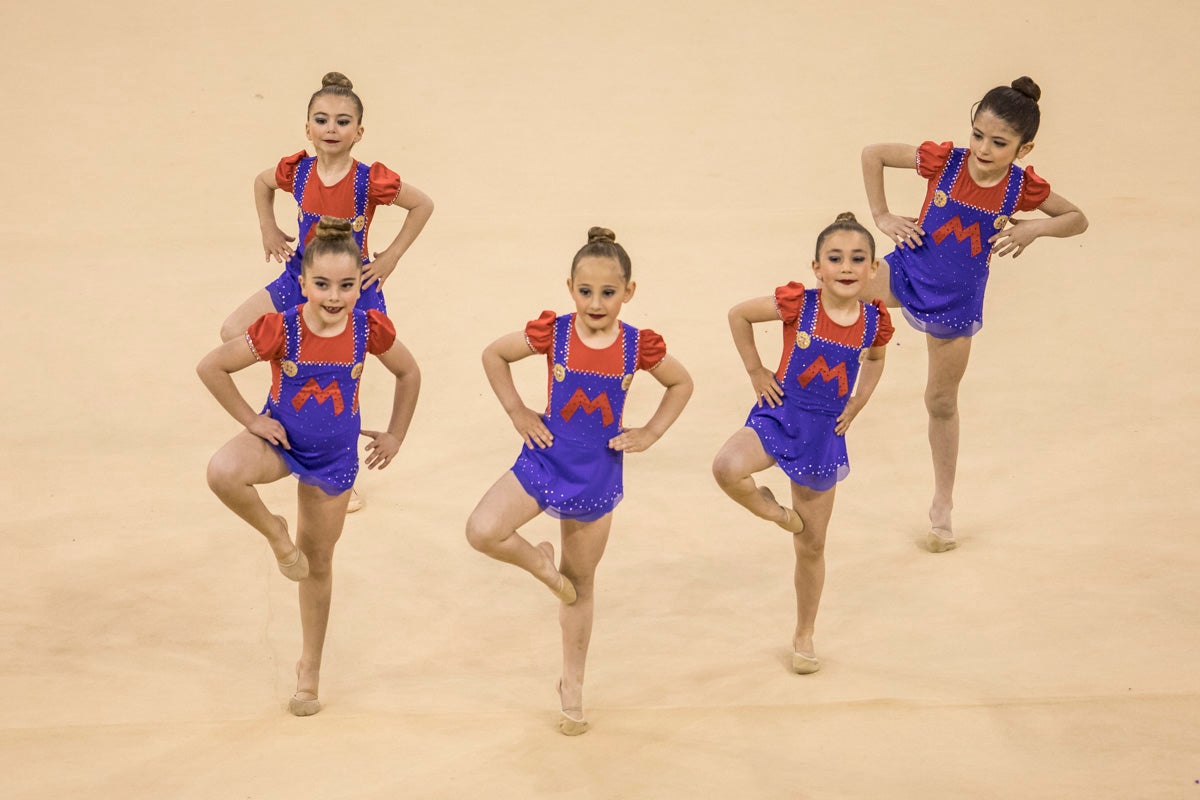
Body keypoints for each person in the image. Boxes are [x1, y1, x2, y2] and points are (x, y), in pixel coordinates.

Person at [465, 227, 693, 735]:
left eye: (608, 293)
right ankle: (543, 567)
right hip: (545, 458)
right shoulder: (556, 334)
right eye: (585, 291)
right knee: (483, 530)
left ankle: (572, 683)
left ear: (629, 292)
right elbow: (493, 355)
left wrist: (651, 432)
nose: (596, 303)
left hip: (596, 474)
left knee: (582, 583)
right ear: (570, 287)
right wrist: (517, 410)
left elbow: (682, 383)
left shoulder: (638, 346)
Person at [198, 217, 420, 717]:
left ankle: (310, 668)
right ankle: (276, 532)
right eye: (321, 284)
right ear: (302, 283)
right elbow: (212, 366)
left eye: (346, 285)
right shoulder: (283, 326)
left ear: (360, 282)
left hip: (335, 460)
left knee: (317, 563)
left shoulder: (368, 327)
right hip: (281, 441)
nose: (335, 296)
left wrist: (396, 433)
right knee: (222, 472)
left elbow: (409, 372)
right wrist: (252, 419)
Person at [860, 76, 1087, 553]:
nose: (983, 148)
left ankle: (942, 504)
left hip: (957, 301)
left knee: (940, 401)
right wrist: (881, 216)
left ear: (1024, 149)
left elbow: (1076, 218)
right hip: (907, 270)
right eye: (978, 135)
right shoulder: (945, 162)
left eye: (999, 142)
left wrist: (1032, 230)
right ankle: (815, 401)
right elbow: (874, 153)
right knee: (838, 292)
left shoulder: (1020, 188)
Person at [220, 72, 432, 512]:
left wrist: (390, 257)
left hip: (351, 288)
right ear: (307, 128)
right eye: (322, 120)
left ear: (359, 131)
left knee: (344, 366)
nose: (331, 129)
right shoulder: (296, 170)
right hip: (301, 275)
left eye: (342, 121)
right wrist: (268, 227)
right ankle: (287, 404)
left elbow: (422, 204)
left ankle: (340, 464)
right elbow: (261, 183)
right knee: (233, 331)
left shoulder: (370, 181)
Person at [712, 212, 892, 675]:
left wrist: (859, 401)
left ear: (873, 269)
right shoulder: (799, 306)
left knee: (812, 546)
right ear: (817, 267)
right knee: (728, 467)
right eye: (835, 258)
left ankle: (804, 632)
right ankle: (775, 511)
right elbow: (739, 315)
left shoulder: (873, 320)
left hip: (824, 434)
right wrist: (756, 371)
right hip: (780, 413)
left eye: (858, 259)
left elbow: (874, 359)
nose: (846, 267)